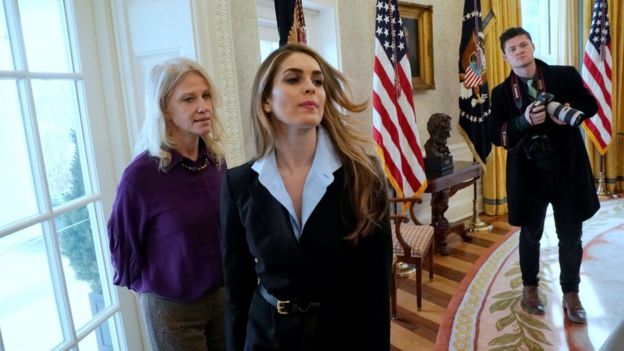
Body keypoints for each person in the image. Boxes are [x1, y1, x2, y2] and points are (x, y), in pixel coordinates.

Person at [220, 44, 392, 350]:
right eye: (293, 79)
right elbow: (237, 289)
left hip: (343, 335)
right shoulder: (238, 183)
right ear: (266, 101)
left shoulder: (364, 173)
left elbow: (375, 288)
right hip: (267, 337)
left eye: (317, 81)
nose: (310, 88)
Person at [108, 57, 227, 350]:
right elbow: (124, 245)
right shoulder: (141, 176)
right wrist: (153, 293)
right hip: (173, 311)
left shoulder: (217, 162)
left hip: (223, 299)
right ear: (164, 109)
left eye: (206, 95)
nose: (203, 106)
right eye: (188, 99)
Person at [488, 27, 599, 323]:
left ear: (533, 46)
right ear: (505, 56)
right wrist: (523, 121)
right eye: (513, 49)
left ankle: (571, 293)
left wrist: (564, 111)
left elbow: (591, 106)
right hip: (529, 175)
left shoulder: (564, 75)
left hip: (566, 170)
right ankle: (530, 288)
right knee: (530, 234)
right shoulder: (501, 93)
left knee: (570, 236)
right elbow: (496, 134)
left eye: (524, 45)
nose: (520, 51)